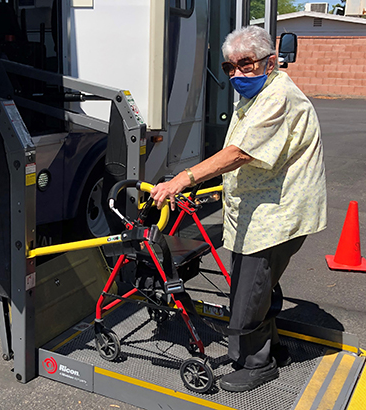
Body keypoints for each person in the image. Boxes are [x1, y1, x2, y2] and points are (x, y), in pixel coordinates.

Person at [151, 25, 327, 393]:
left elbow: (240, 153)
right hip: (261, 210)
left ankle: (255, 365)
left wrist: (184, 179)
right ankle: (272, 349)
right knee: (260, 287)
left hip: (276, 215)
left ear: (271, 61)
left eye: (246, 64)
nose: (237, 74)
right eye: (230, 67)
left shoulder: (278, 97)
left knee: (247, 295)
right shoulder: (257, 95)